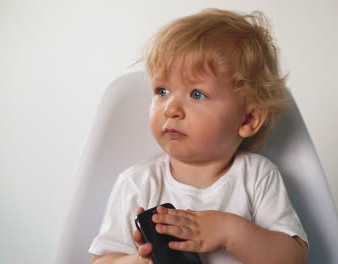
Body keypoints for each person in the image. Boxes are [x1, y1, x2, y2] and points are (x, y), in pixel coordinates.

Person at [89, 8, 308, 264]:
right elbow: (101, 260)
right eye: (162, 91)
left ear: (248, 119)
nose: (170, 108)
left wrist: (230, 232)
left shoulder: (257, 176)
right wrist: (138, 262)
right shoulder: (137, 183)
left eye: (196, 94)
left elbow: (294, 259)